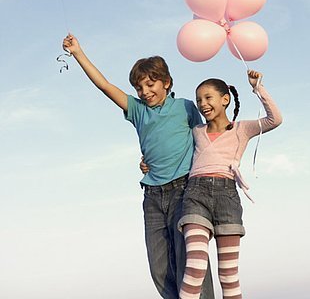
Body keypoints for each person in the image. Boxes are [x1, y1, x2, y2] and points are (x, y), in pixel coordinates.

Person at [62, 34, 215, 299]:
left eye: (150, 84)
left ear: (166, 82)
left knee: (191, 261)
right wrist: (78, 53)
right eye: (139, 87)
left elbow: (202, 140)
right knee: (159, 267)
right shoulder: (137, 110)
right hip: (153, 196)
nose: (144, 92)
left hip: (184, 192)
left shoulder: (186, 108)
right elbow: (105, 86)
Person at [177, 69, 283, 299]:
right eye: (198, 100)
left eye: (208, 97)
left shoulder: (241, 129)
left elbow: (275, 119)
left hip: (227, 199)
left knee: (228, 276)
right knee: (195, 268)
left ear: (225, 99)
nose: (202, 104)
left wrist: (258, 88)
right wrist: (146, 163)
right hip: (195, 196)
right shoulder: (195, 132)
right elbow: (172, 150)